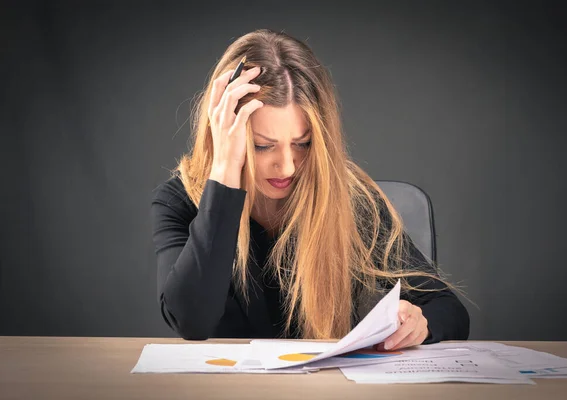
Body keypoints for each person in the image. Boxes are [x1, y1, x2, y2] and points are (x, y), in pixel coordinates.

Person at [151, 29, 469, 350]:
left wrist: (419, 323)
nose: (287, 166)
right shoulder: (181, 199)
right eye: (263, 146)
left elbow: (448, 309)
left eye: (302, 144)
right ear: (224, 133)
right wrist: (224, 172)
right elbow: (191, 320)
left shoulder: (352, 199)